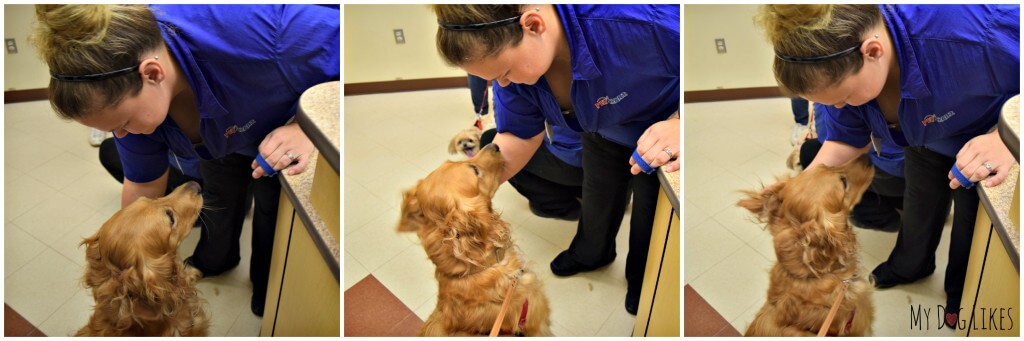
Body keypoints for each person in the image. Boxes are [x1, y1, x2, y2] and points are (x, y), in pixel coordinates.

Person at [32, 4, 340, 316]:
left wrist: (305, 125)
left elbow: (346, 63)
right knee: (218, 197)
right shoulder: (128, 94)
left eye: (122, 123)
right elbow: (142, 191)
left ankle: (265, 287)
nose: (122, 137)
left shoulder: (267, 30)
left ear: (153, 74)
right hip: (222, 137)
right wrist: (127, 269)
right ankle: (216, 260)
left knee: (272, 214)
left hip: (282, 136)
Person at [757, 4, 1018, 328]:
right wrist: (803, 185)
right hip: (922, 136)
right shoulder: (839, 63)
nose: (839, 107)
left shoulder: (979, 31)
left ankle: (959, 295)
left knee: (971, 225)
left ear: (873, 51)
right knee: (919, 207)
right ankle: (911, 266)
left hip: (984, 144)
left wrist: (1006, 136)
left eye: (844, 97)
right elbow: (847, 139)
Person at [433, 4, 680, 314]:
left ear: (534, 25)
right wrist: (472, 193)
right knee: (598, 195)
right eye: (496, 79)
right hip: (599, 122)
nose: (504, 85)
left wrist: (680, 122)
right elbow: (519, 136)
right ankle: (593, 253)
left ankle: (643, 283)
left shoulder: (642, 21)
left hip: (659, 131)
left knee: (650, 215)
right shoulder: (513, 71)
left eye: (505, 73)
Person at [469, 74, 585, 220]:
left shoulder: (517, 82)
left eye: (501, 73)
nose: (502, 81)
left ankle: (561, 205)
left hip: (578, 161)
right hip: (605, 164)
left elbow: (520, 135)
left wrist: (479, 192)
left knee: (491, 142)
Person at [800, 102, 904, 232]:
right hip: (873, 156)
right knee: (808, 151)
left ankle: (903, 220)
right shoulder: (833, 104)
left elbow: (847, 143)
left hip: (897, 171)